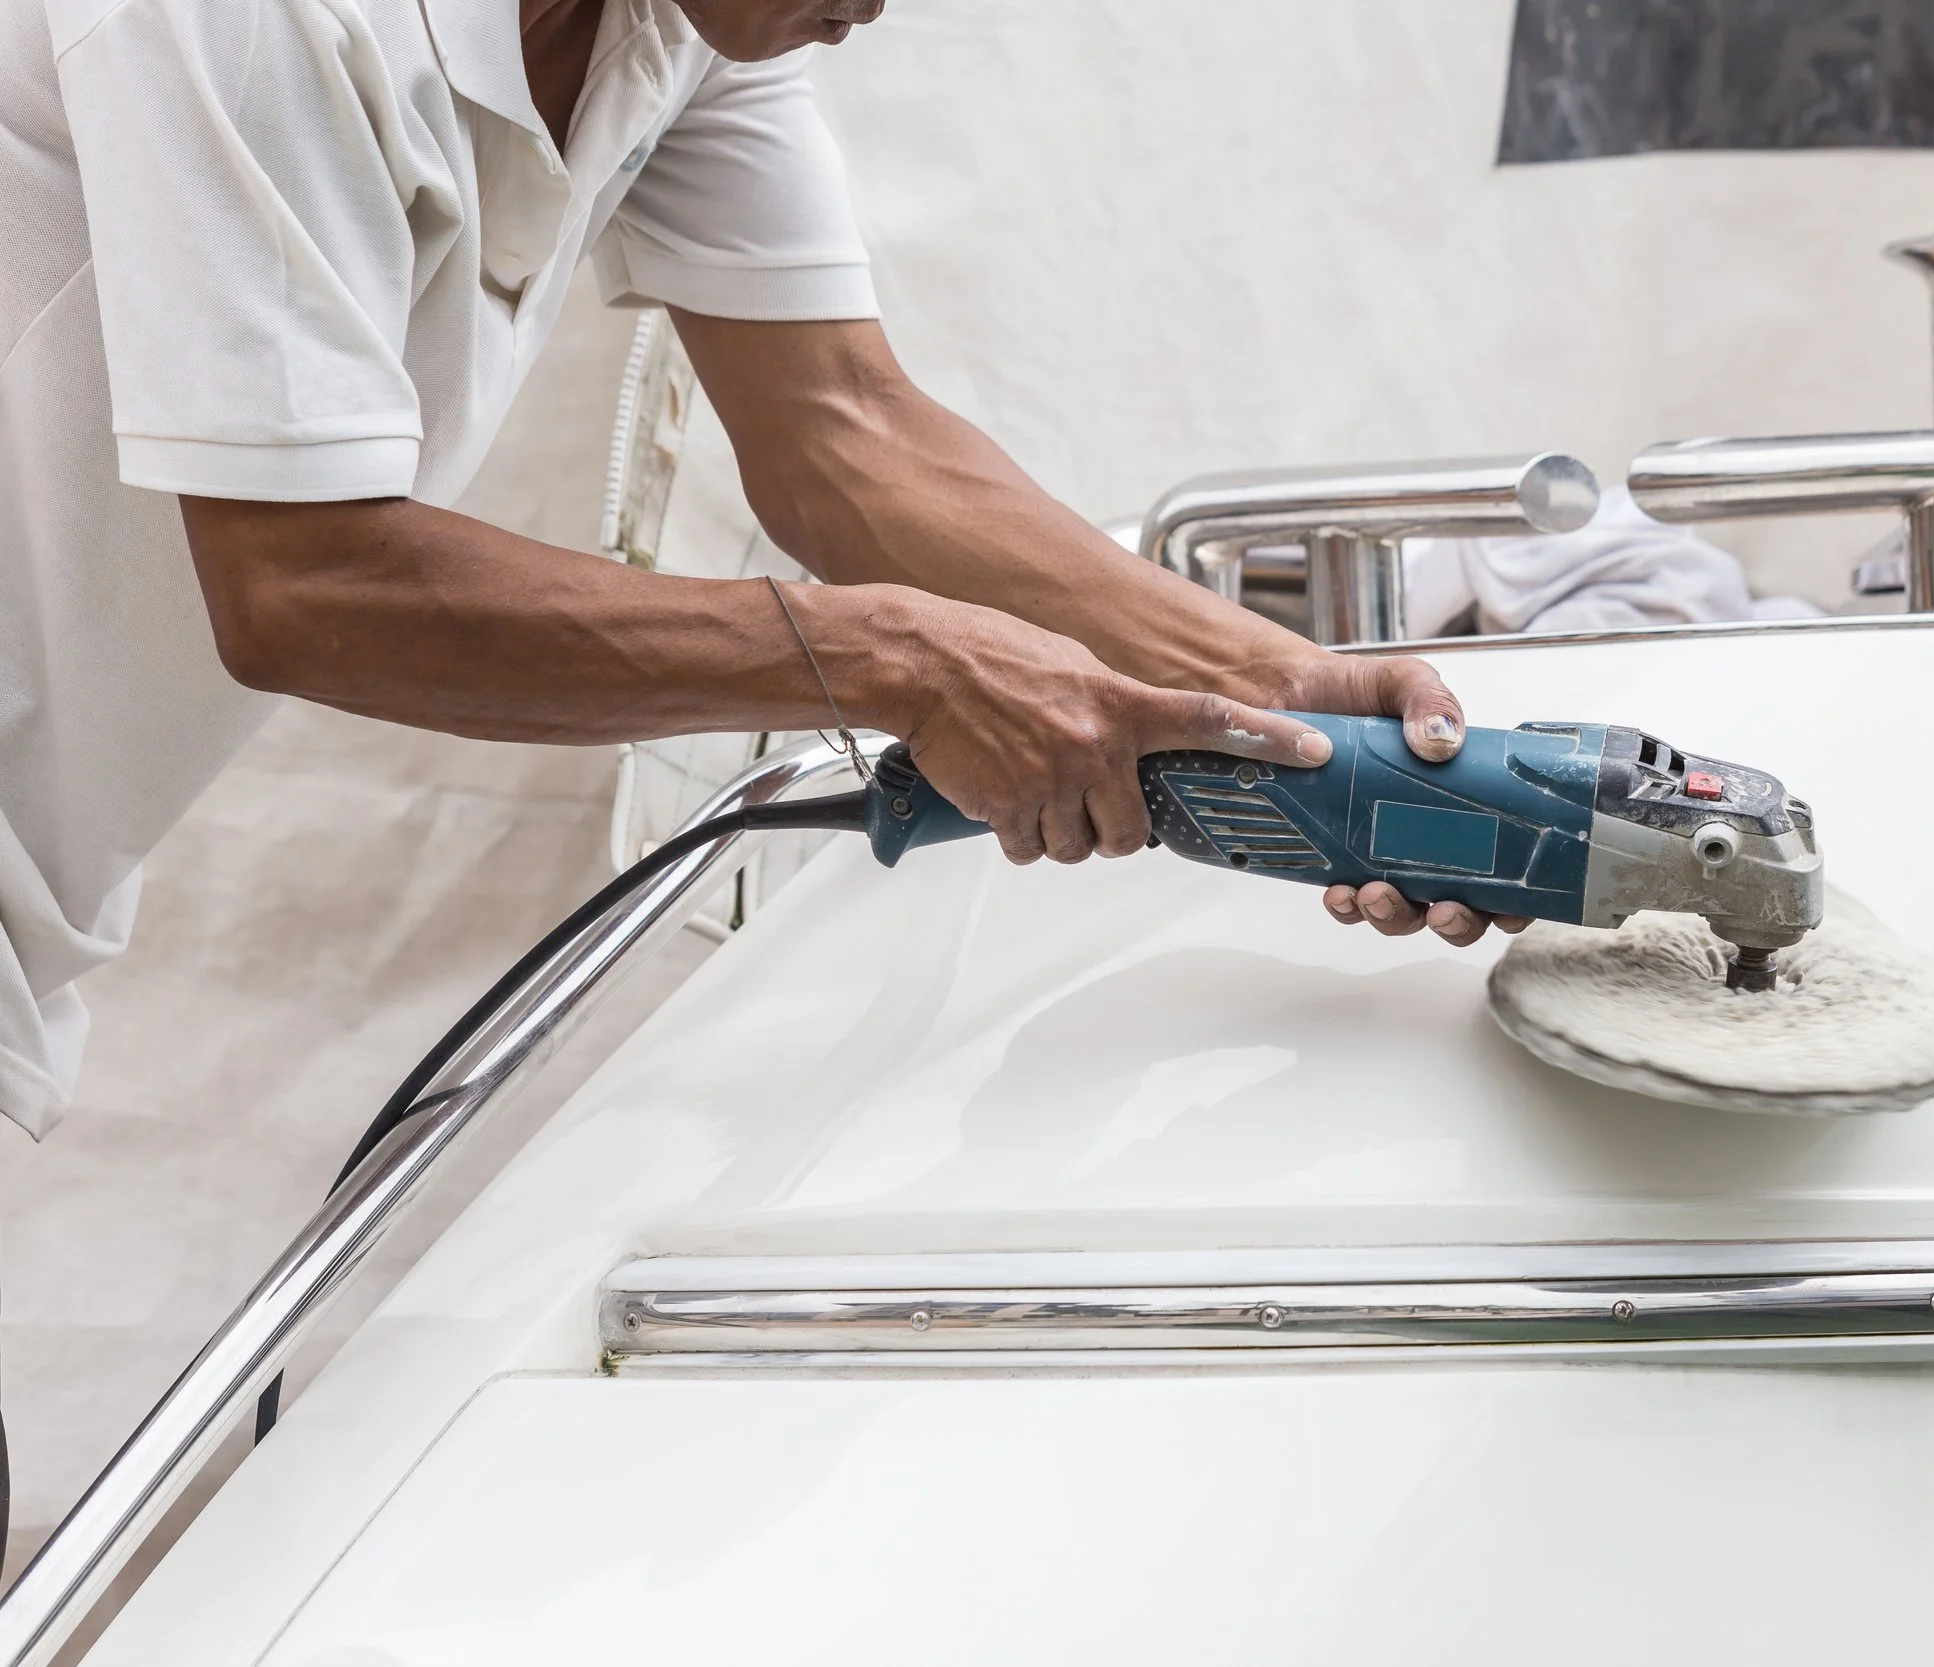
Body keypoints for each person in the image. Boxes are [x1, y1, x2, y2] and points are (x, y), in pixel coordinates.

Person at [0, 0, 1525, 1530]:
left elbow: (845, 434)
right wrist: (894, 661)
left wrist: (1284, 693)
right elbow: (303, 586)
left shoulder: (688, 26)